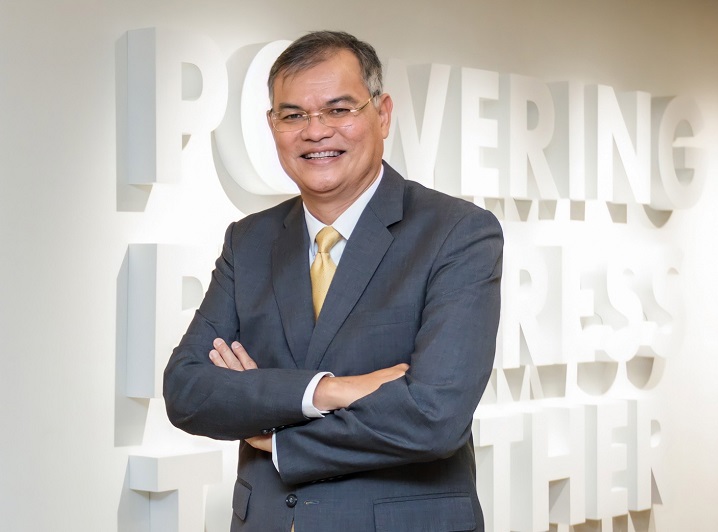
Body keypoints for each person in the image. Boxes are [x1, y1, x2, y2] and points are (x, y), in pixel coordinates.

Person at [163, 30, 503, 532]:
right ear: (272, 125)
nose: (315, 132)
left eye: (338, 110)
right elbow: (187, 391)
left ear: (382, 114)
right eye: (293, 115)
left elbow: (435, 417)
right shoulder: (249, 241)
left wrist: (278, 435)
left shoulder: (457, 232)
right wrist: (328, 391)